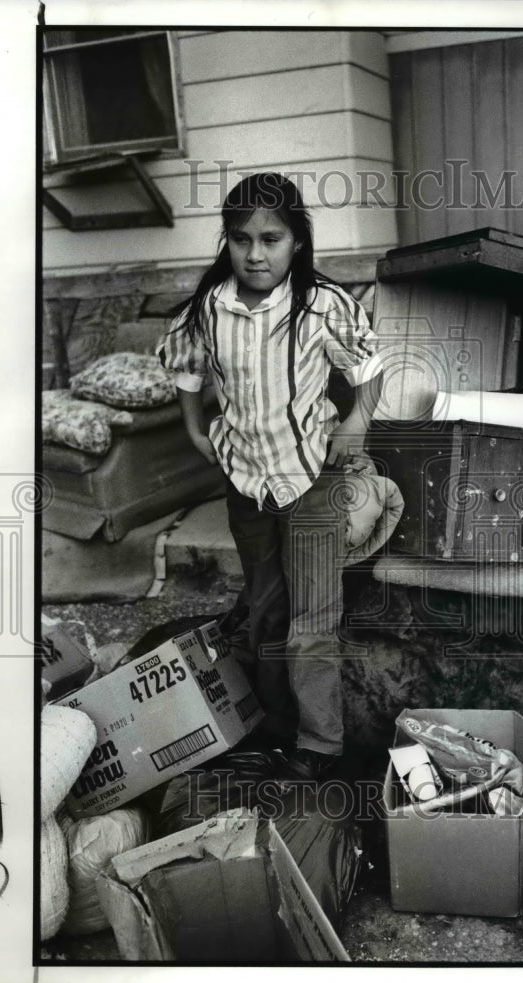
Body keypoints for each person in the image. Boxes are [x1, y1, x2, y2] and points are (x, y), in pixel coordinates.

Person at [158, 172, 383, 781]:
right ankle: (274, 729)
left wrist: (358, 421)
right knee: (264, 609)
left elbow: (369, 367)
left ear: (297, 242)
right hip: (246, 482)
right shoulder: (210, 308)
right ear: (227, 242)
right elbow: (185, 369)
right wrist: (194, 430)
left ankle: (321, 746)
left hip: (312, 478)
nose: (255, 254)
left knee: (313, 620)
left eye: (271, 238)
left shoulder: (325, 306)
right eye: (241, 239)